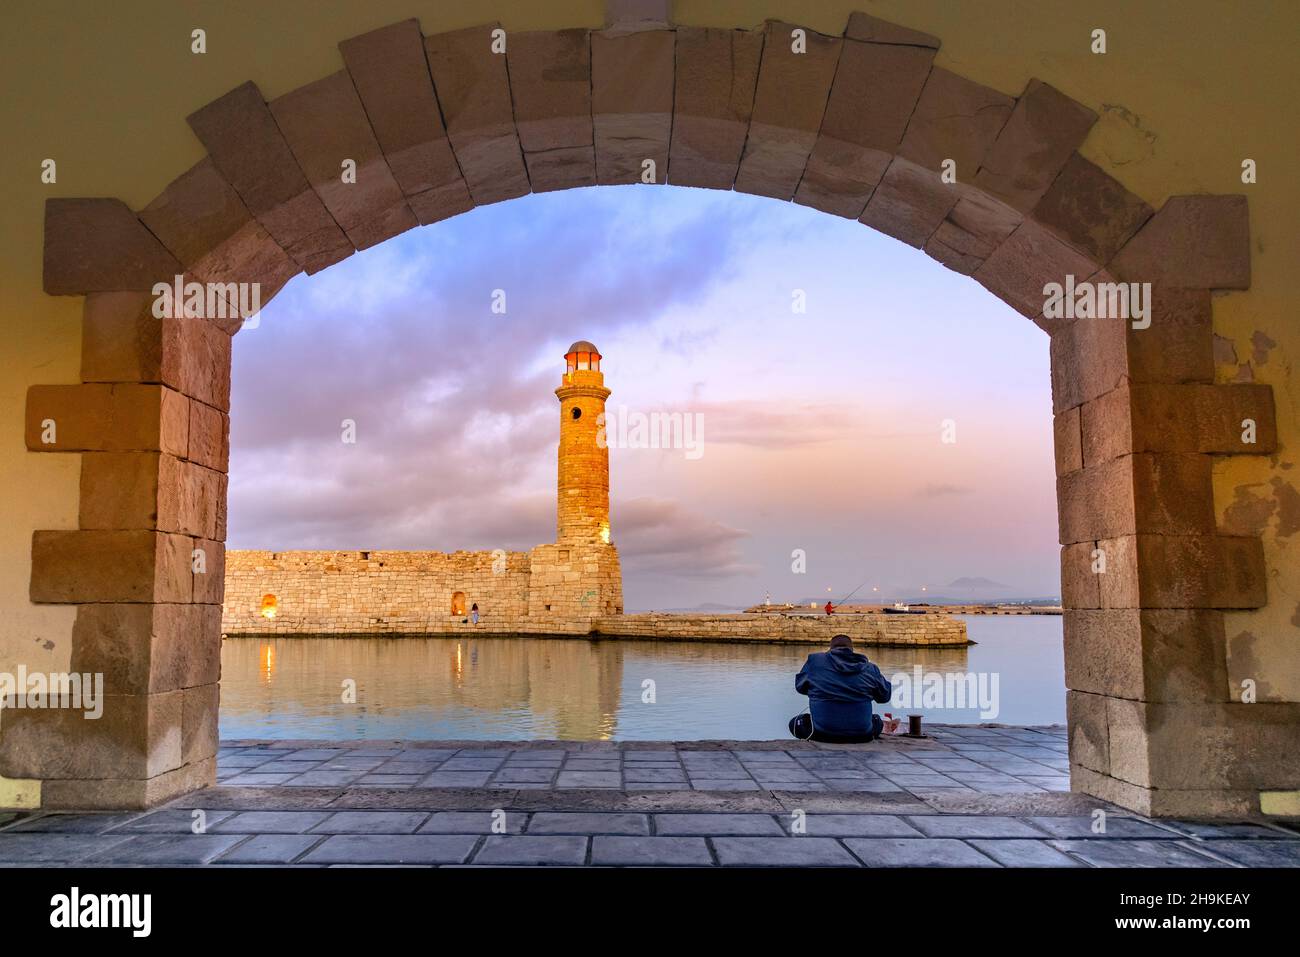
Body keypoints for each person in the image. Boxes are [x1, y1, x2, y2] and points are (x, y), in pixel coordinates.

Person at [789, 634, 892, 743]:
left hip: (822, 733)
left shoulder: (815, 662)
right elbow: (884, 697)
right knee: (877, 721)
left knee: (795, 723)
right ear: (851, 650)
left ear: (830, 649)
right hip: (862, 735)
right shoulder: (870, 668)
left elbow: (800, 687)